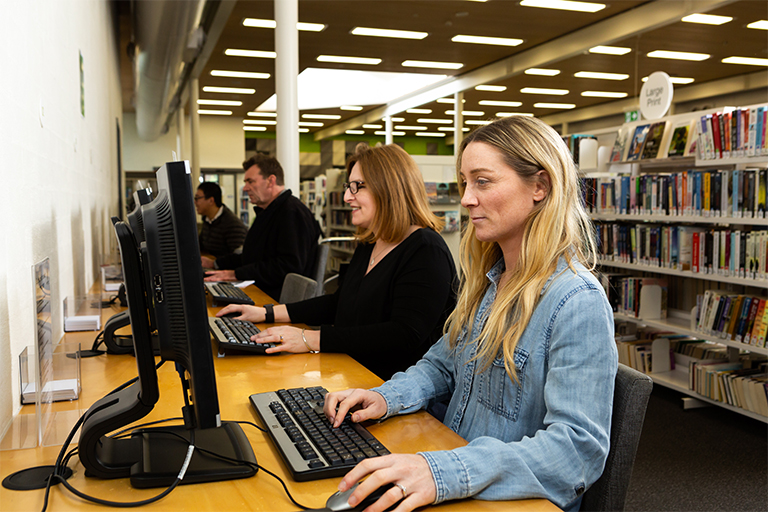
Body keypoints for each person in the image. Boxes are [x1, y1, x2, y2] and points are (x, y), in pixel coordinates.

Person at [321, 116, 618, 512]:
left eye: (483, 181)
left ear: (540, 187)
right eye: (465, 182)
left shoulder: (576, 300)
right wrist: (382, 397)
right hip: (457, 473)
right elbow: (441, 366)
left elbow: (577, 450)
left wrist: (443, 471)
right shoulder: (489, 283)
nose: (466, 199)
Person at [217, 143, 457, 381]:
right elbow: (339, 303)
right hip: (354, 372)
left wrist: (308, 339)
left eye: (357, 187)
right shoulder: (370, 242)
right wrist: (265, 313)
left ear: (389, 187)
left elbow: (403, 335)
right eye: (348, 187)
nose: (346, 197)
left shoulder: (426, 249)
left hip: (395, 390)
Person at [203, 154, 321, 301]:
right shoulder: (269, 212)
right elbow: (253, 257)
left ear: (271, 181)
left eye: (250, 181)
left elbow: (288, 267)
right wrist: (216, 264)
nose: (245, 188)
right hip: (263, 291)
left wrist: (236, 274)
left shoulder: (291, 213)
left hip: (276, 300)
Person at [195, 182, 247, 258]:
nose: (195, 202)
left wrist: (214, 262)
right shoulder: (208, 220)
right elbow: (201, 247)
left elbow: (238, 257)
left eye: (197, 198)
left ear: (211, 201)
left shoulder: (232, 224)